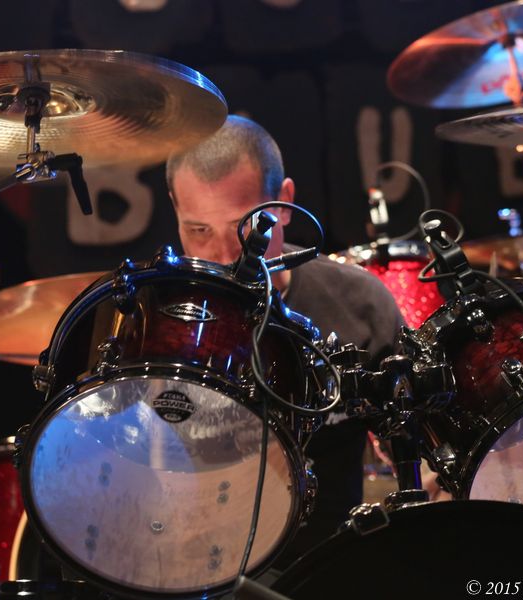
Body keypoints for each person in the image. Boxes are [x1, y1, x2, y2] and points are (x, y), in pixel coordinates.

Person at [166, 115, 406, 568]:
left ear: (286, 203)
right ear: (175, 209)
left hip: (332, 568)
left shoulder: (359, 303)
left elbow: (420, 452)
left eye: (245, 227)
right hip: (193, 569)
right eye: (198, 230)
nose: (223, 256)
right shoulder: (153, 322)